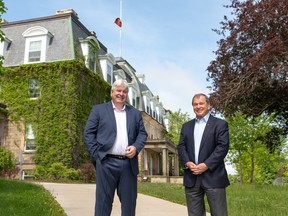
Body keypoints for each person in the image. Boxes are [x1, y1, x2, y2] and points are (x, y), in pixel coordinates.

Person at [84, 79, 147, 216]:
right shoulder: (99, 110)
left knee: (129, 205)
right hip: (106, 163)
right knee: (103, 203)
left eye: (124, 91)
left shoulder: (135, 114)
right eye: (118, 90)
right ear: (112, 92)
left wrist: (136, 147)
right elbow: (88, 133)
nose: (121, 93)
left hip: (128, 165)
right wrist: (97, 156)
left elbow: (142, 134)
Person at [177, 93, 230, 216]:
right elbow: (181, 146)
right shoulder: (186, 126)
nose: (198, 106)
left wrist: (206, 165)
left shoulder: (220, 124)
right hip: (192, 177)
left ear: (209, 105)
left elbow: (222, 147)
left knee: (219, 213)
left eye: (201, 103)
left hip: (214, 177)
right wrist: (187, 162)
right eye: (195, 104)